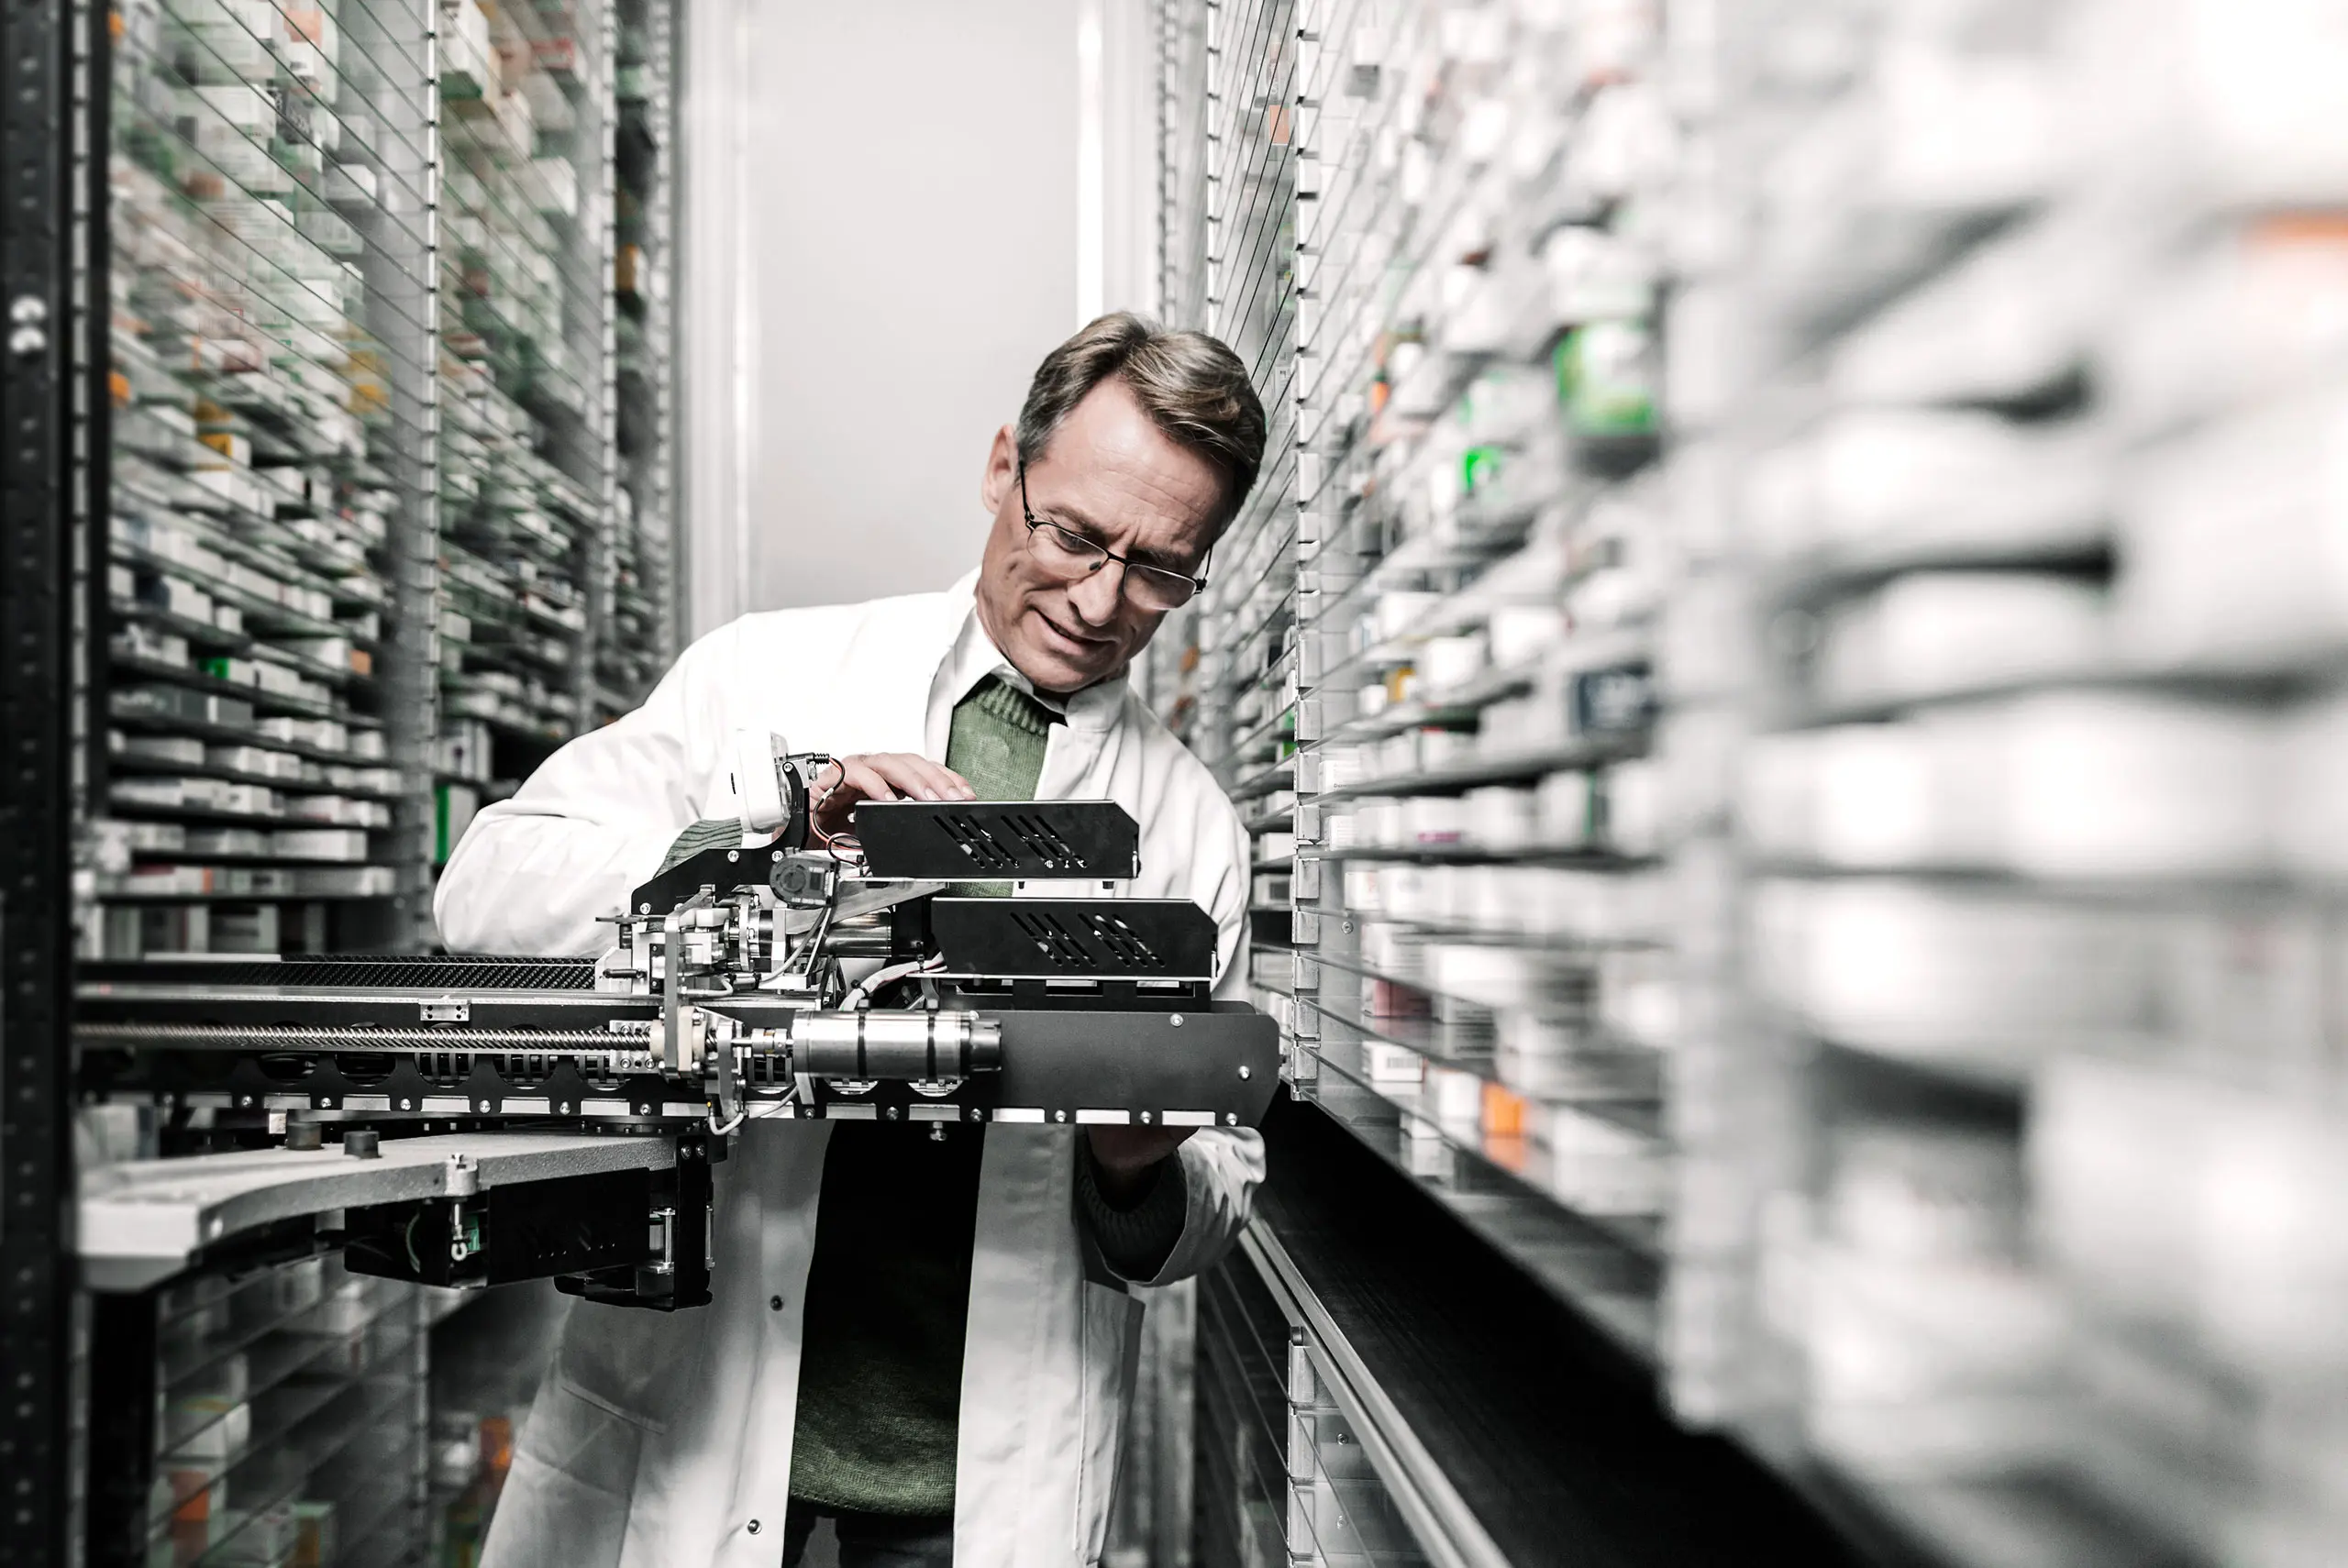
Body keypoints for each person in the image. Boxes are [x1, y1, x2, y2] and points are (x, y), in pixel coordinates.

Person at [437, 313, 1269, 1568]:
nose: (1102, 600)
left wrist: (1138, 1166)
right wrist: (754, 864)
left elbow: (1206, 1204)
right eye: (1076, 535)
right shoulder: (765, 679)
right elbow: (484, 887)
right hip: (698, 1423)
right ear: (1006, 466)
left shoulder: (1189, 827)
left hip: (967, 1497)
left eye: (1160, 568)